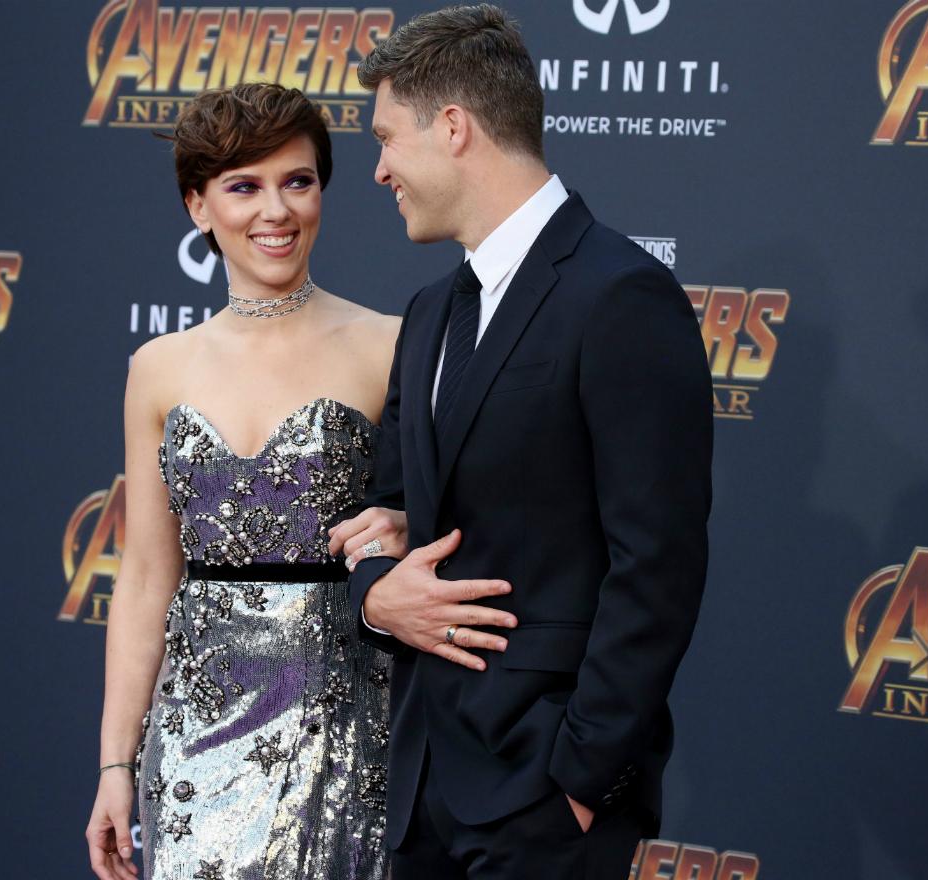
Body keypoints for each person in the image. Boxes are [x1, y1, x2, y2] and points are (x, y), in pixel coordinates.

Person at [329, 5, 714, 879]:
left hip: (546, 794)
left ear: (454, 128)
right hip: (423, 782)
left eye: (387, 139)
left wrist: (581, 780)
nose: (380, 169)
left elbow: (657, 562)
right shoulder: (429, 313)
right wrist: (374, 595)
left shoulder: (620, 296)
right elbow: (381, 514)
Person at [84, 83, 406, 880]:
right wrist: (114, 766)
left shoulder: (390, 345)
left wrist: (402, 525)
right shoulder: (157, 368)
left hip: (344, 723)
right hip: (194, 734)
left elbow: (448, 520)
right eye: (244, 187)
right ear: (198, 206)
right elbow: (150, 575)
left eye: (298, 181)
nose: (278, 211)